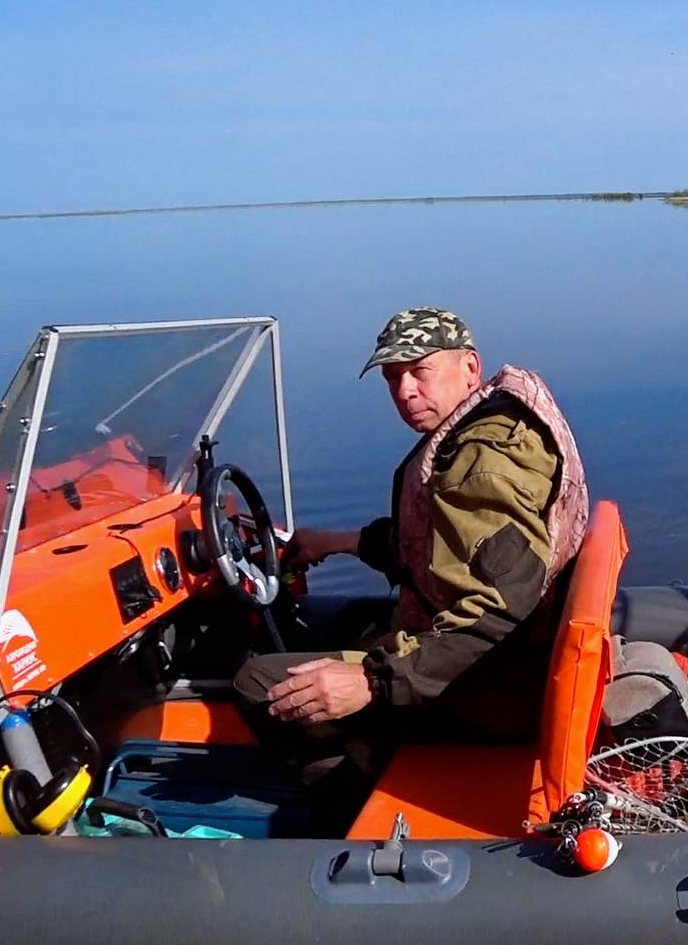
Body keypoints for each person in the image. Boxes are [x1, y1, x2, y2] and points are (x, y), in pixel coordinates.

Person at [233, 307, 590, 824]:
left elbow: (499, 612)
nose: (404, 392)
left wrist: (372, 684)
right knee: (355, 622)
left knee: (258, 683)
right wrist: (341, 541)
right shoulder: (487, 424)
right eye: (392, 378)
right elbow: (438, 544)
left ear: (470, 367)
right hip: (506, 663)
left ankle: (348, 808)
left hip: (496, 684)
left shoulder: (482, 463)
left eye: (420, 372)